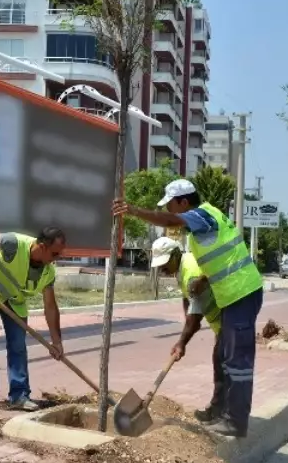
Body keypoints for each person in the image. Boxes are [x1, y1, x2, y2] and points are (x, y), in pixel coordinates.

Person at [113, 179, 264, 438]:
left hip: (242, 292)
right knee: (226, 359)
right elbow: (220, 258)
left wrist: (133, 211)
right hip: (234, 296)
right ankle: (223, 413)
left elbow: (171, 222)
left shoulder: (202, 214)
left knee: (237, 363)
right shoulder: (203, 227)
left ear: (184, 202)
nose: (170, 211)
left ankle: (236, 422)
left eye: (171, 205)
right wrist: (205, 279)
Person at [0, 227, 67, 411]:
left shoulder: (48, 272)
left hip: (15, 301)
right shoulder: (14, 243)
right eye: (54, 253)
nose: (57, 258)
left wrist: (57, 342)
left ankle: (19, 396)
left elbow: (50, 308)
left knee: (18, 345)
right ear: (42, 247)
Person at [150, 237, 227, 421]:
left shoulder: (191, 273)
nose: (162, 269)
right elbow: (187, 299)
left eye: (165, 263)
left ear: (176, 255)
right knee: (222, 364)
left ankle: (222, 412)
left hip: (230, 320)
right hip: (223, 322)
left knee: (223, 364)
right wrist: (188, 319)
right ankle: (222, 410)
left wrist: (182, 342)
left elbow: (195, 320)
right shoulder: (182, 268)